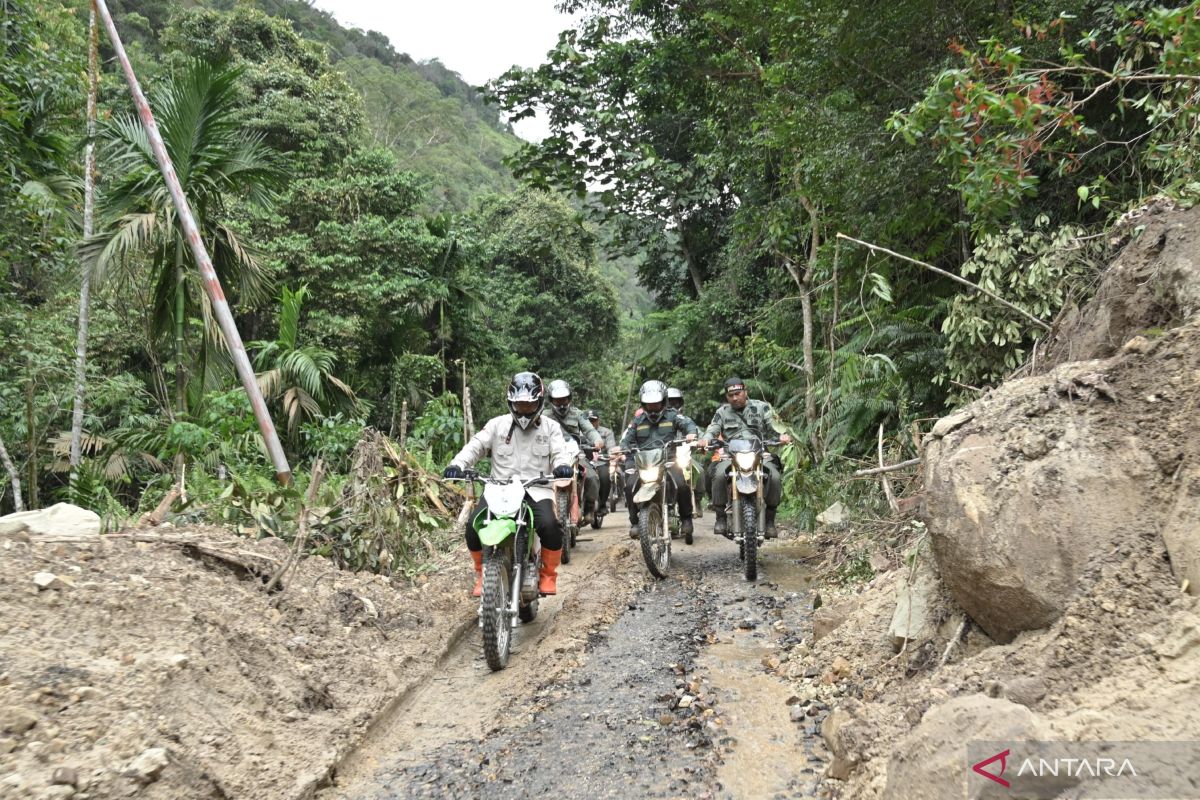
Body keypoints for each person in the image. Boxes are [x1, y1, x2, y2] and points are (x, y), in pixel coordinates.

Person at [443, 372, 574, 596]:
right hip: (499, 489)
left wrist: (562, 465)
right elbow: (475, 447)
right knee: (473, 526)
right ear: (511, 403)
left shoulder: (550, 428)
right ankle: (483, 572)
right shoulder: (497, 425)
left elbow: (560, 452)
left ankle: (548, 575)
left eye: (528, 405)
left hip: (536, 488)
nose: (523, 410)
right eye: (519, 405)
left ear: (539, 403)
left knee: (551, 526)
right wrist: (457, 464)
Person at [697, 377, 792, 538]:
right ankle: (720, 516)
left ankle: (769, 520)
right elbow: (713, 428)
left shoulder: (762, 408)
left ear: (745, 392)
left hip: (760, 453)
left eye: (738, 393)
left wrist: (782, 435)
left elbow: (775, 425)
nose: (735, 398)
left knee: (774, 476)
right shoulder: (722, 412)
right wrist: (705, 439)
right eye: (731, 395)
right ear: (727, 397)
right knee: (718, 474)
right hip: (730, 454)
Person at [618, 380, 698, 539]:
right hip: (643, 462)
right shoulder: (637, 421)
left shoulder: (673, 416)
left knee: (682, 485)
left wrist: (691, 434)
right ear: (643, 404)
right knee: (629, 487)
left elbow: (688, 424)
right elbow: (627, 439)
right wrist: (621, 447)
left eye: (656, 404)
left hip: (668, 460)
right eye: (649, 405)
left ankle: (686, 518)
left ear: (664, 402)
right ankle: (634, 522)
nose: (653, 408)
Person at [544, 379, 604, 516]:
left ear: (569, 398)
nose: (562, 404)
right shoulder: (544, 416)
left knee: (591, 477)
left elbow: (590, 430)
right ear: (551, 400)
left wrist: (597, 440)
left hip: (575, 453)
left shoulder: (578, 414)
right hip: (552, 455)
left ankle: (589, 508)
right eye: (558, 401)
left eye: (564, 400)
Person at [666, 387, 705, 519]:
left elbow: (698, 433)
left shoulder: (685, 420)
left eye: (675, 402)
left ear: (680, 403)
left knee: (700, 470)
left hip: (685, 457)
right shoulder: (662, 421)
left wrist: (700, 441)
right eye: (669, 402)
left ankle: (698, 500)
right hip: (666, 459)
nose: (672, 405)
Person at [587, 409, 617, 517]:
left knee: (605, 477)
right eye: (589, 421)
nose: (591, 423)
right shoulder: (580, 433)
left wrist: (611, 453)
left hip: (601, 461)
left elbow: (611, 447)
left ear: (598, 421)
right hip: (584, 462)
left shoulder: (606, 432)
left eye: (593, 420)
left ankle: (603, 504)